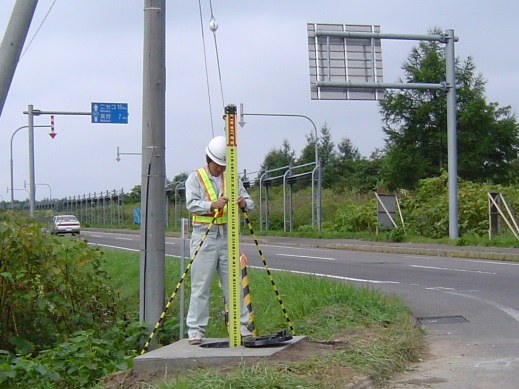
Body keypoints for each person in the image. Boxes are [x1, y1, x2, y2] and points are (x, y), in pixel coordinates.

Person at [185, 135, 254, 345]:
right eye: (217, 165)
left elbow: (249, 202)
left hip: (227, 237)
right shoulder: (195, 178)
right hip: (203, 236)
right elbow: (191, 204)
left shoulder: (232, 178)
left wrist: (244, 203)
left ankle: (243, 328)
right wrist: (212, 205)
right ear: (209, 159)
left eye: (223, 166)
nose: (220, 169)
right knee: (200, 286)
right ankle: (195, 331)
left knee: (233, 286)